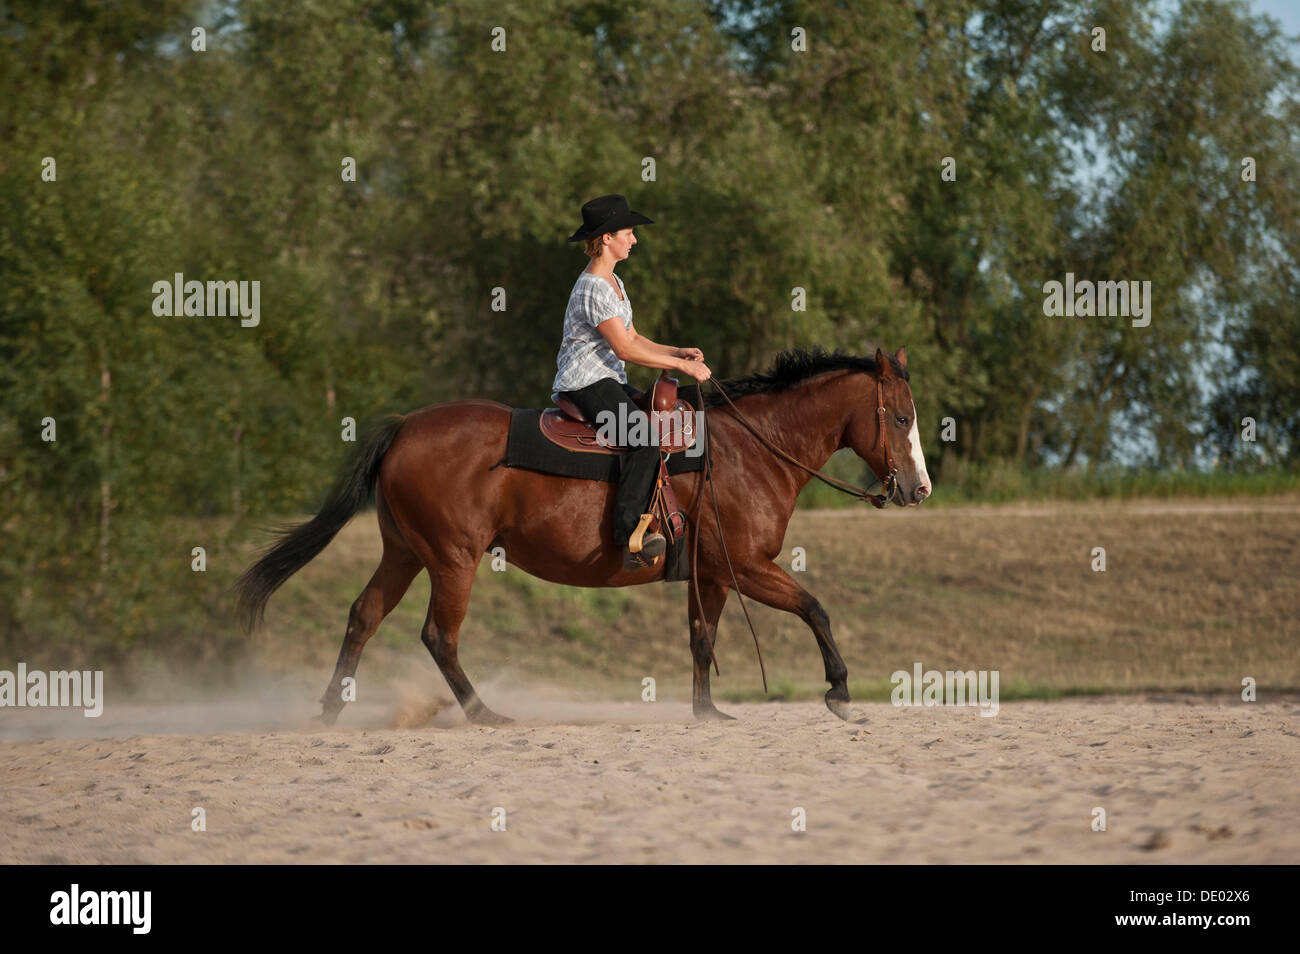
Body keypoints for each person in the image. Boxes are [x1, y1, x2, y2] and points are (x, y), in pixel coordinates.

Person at [552, 194, 712, 567]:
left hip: (608, 378)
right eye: (628, 232)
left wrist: (677, 353)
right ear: (606, 238)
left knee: (666, 427)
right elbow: (624, 349)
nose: (634, 239)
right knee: (643, 440)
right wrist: (685, 369)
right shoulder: (592, 286)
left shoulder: (614, 282)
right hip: (586, 382)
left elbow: (636, 338)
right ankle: (628, 537)